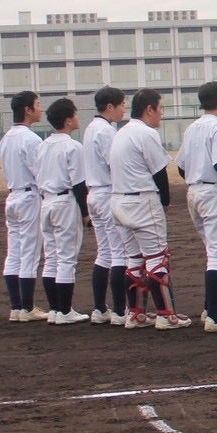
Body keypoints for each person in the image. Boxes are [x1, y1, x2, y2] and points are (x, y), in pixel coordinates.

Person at [109, 89, 188, 329]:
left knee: (134, 260)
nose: (161, 113)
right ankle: (166, 315)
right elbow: (159, 172)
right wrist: (165, 201)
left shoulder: (121, 132)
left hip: (118, 201)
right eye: (160, 108)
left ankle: (135, 314)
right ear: (149, 109)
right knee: (157, 259)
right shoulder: (145, 133)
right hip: (141, 201)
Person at [174, 79, 217, 331]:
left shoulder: (192, 127)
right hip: (212, 194)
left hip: (194, 192)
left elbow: (181, 167)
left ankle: (209, 310)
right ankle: (213, 317)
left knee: (213, 252)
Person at [36, 98, 89, 324]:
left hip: (46, 201)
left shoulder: (42, 145)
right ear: (68, 120)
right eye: (74, 114)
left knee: (51, 258)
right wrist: (85, 212)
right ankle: (65, 312)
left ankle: (56, 310)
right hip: (65, 202)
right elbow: (79, 184)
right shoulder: (73, 146)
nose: (77, 118)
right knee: (67, 258)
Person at [0, 90, 46, 322]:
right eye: (37, 104)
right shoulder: (31, 139)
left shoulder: (5, 138)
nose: (40, 109)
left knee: (14, 253)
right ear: (28, 110)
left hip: (12, 196)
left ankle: (16, 307)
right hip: (29, 197)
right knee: (29, 252)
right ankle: (27, 308)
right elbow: (40, 173)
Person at [84, 87, 128, 325]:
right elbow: (115, 164)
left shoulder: (91, 128)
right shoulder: (106, 131)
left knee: (104, 253)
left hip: (93, 193)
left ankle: (100, 308)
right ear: (110, 106)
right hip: (107, 192)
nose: (124, 109)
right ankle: (120, 312)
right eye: (122, 105)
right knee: (119, 252)